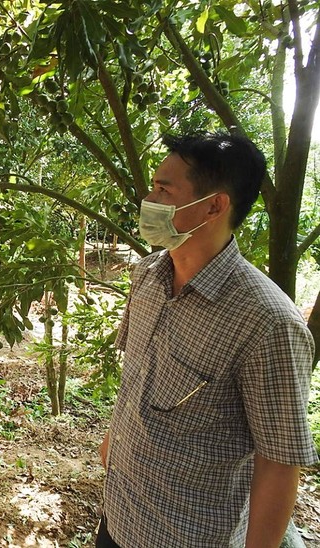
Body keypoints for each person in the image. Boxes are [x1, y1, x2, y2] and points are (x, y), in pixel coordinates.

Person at [97, 132, 317, 547]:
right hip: (119, 516)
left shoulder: (267, 322)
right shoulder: (146, 276)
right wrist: (115, 441)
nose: (149, 198)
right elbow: (136, 377)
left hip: (189, 536)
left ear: (214, 206)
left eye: (164, 188)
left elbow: (279, 462)